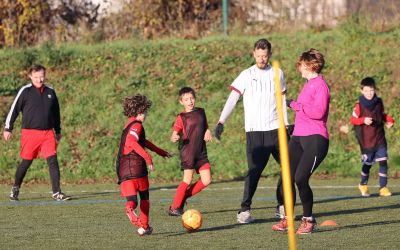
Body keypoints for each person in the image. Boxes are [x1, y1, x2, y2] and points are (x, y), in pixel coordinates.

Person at [215, 38, 289, 224]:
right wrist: (221, 121)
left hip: (276, 129)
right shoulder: (246, 74)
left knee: (289, 167)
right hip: (255, 132)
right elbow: (233, 98)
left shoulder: (278, 73)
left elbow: (282, 101)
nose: (262, 59)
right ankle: (244, 210)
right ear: (254, 54)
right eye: (258, 56)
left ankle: (281, 205)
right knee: (254, 171)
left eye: (265, 56)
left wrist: (286, 125)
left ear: (269, 55)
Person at [272, 48, 330, 234]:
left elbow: (318, 112)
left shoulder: (320, 85)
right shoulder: (308, 84)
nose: (300, 68)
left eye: (302, 65)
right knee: (286, 177)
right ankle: (288, 219)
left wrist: (295, 104)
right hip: (298, 137)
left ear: (310, 65)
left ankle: (308, 220)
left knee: (300, 178)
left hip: (315, 139)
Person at [3, 64, 70, 201]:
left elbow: (56, 113)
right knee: (26, 162)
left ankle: (57, 192)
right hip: (30, 134)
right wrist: (8, 128)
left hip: (47, 134)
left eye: (41, 76)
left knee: (53, 160)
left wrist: (58, 130)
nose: (39, 80)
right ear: (30, 76)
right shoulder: (25, 91)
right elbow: (14, 109)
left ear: (45, 76)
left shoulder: (51, 91)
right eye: (36, 77)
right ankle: (15, 188)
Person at [115, 94, 171, 236]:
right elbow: (132, 143)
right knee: (145, 197)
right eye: (145, 112)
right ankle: (143, 224)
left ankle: (141, 223)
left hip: (123, 169)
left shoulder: (128, 124)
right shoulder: (137, 126)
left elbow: (142, 142)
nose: (146, 115)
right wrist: (148, 158)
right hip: (136, 167)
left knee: (133, 200)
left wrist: (160, 152)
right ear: (140, 111)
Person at [168, 87, 212, 216]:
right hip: (188, 153)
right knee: (187, 179)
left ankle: (182, 197)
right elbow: (174, 135)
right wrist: (174, 137)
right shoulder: (181, 117)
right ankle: (174, 207)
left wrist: (208, 131)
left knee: (207, 180)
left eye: (191, 98)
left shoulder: (201, 112)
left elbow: (206, 127)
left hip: (201, 152)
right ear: (181, 102)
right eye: (186, 99)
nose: (190, 101)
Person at [350, 77, 394, 197]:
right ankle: (363, 184)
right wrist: (363, 120)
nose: (369, 93)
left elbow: (382, 115)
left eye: (372, 90)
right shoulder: (359, 105)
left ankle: (383, 187)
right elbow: (353, 119)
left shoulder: (379, 102)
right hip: (367, 140)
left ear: (375, 90)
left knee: (383, 161)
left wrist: (389, 121)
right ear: (362, 91)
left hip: (379, 137)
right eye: (367, 90)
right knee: (368, 164)